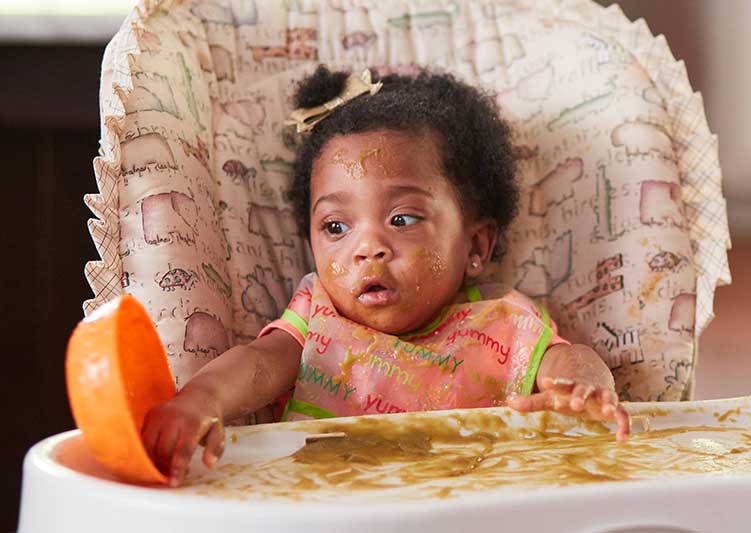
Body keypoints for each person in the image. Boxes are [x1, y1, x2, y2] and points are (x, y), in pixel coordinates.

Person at [142, 65, 631, 487]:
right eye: (336, 227)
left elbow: (570, 360)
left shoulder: (501, 322)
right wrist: (203, 399)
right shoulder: (318, 319)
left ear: (476, 246)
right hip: (330, 505)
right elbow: (256, 364)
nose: (367, 248)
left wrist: (582, 390)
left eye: (401, 219)